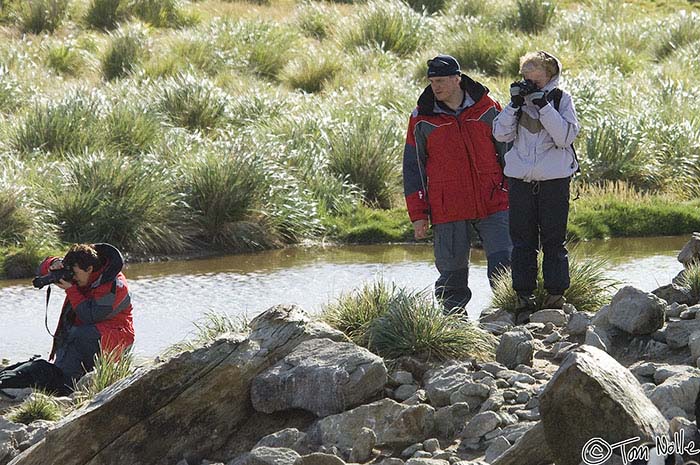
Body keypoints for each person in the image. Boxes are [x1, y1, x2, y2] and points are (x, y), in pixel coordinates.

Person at [403, 54, 512, 314]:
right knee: (452, 277)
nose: (435, 87)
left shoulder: (488, 107)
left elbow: (508, 153)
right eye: (431, 81)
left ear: (457, 79)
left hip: (494, 201)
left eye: (441, 80)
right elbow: (413, 168)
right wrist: (419, 215)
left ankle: (511, 320)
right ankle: (454, 330)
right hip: (447, 207)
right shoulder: (421, 118)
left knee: (506, 266)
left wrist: (515, 194)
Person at [492, 51, 580, 320]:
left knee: (554, 241)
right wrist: (514, 105)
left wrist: (544, 107)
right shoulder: (518, 105)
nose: (531, 85)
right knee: (522, 243)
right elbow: (499, 133)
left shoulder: (561, 99)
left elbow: (565, 136)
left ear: (550, 77)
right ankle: (524, 300)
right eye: (526, 79)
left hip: (554, 182)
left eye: (536, 80)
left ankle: (555, 298)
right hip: (520, 181)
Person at [0, 243, 134, 395]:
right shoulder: (84, 269)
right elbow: (41, 268)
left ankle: (66, 383)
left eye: (74, 273)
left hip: (116, 339)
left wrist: (71, 290)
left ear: (89, 268)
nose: (73, 277)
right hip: (82, 335)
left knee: (76, 337)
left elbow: (90, 316)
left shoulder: (114, 285)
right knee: (68, 339)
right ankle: (60, 379)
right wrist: (54, 264)